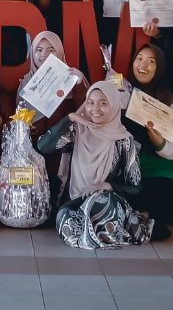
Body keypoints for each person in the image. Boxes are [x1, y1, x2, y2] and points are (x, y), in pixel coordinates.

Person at [39, 79, 153, 249]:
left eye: (103, 103)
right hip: (76, 202)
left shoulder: (124, 140)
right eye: (90, 103)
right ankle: (99, 234)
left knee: (103, 202)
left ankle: (96, 233)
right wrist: (69, 118)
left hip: (107, 201)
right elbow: (43, 146)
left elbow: (135, 187)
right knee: (64, 216)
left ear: (114, 106)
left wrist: (108, 186)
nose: (95, 108)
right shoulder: (77, 131)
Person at [122, 43, 173, 240]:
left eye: (151, 61)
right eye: (139, 58)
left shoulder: (171, 100)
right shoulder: (124, 92)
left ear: (160, 67)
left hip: (160, 170)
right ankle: (142, 220)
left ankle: (146, 220)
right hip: (129, 170)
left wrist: (160, 143)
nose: (143, 65)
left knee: (163, 200)